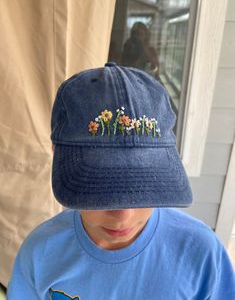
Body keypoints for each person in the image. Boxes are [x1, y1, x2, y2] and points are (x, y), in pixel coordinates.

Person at [7, 62, 235, 299]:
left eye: (145, 187)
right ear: (57, 155)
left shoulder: (201, 254)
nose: (123, 215)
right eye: (100, 189)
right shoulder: (40, 253)